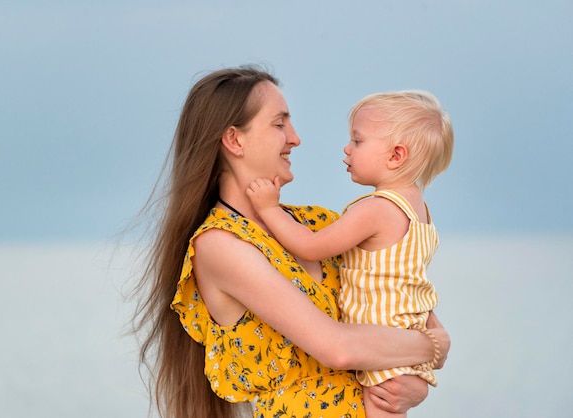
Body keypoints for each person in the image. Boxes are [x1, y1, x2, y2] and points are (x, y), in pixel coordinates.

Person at [129, 66, 450, 418]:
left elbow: (408, 303)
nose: (295, 138)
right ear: (235, 140)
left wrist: (413, 384)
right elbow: (338, 348)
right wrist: (433, 348)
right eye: (280, 124)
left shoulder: (318, 224)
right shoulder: (220, 245)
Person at [245, 90, 454, 418]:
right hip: (405, 335)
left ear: (396, 155)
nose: (347, 148)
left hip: (379, 338)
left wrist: (270, 209)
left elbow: (311, 246)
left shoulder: (377, 209)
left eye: (357, 141)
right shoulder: (419, 211)